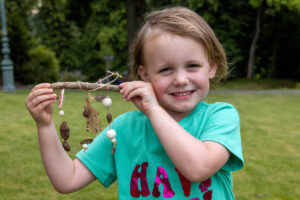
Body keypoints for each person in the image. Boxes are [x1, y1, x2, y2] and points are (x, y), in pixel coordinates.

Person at [26, 6, 244, 200]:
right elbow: (67, 179)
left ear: (212, 67)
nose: (180, 80)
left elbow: (198, 168)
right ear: (145, 75)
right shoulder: (124, 129)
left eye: (192, 65)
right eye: (166, 69)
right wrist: (45, 125)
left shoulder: (220, 117)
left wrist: (154, 111)